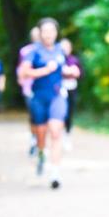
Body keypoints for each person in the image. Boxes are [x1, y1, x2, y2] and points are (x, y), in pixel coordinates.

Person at [17, 18, 79, 189]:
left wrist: (71, 71)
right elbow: (24, 73)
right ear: (40, 33)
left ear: (56, 33)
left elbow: (63, 69)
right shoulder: (34, 51)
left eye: (52, 31)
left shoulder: (60, 50)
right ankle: (41, 154)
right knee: (41, 134)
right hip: (39, 97)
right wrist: (45, 70)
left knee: (56, 131)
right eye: (45, 31)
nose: (48, 34)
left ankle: (55, 173)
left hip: (57, 96)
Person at [17, 26, 40, 156]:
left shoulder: (48, 51)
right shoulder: (25, 51)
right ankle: (33, 139)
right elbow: (20, 68)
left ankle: (40, 141)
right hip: (29, 88)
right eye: (34, 35)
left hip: (44, 88)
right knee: (34, 115)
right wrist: (21, 79)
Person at [59, 38, 83, 151]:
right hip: (59, 89)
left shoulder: (75, 60)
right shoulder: (57, 59)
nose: (65, 49)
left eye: (67, 47)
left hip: (71, 89)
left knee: (69, 113)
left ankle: (67, 135)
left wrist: (75, 72)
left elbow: (81, 74)